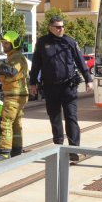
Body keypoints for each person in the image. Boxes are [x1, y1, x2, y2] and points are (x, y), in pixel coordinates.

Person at [29, 17, 93, 162]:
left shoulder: (69, 42)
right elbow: (36, 64)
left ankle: (73, 150)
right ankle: (58, 146)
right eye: (58, 27)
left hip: (68, 86)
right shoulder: (42, 42)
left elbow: (80, 61)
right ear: (50, 28)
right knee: (55, 117)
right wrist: (33, 83)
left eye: (63, 27)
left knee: (71, 116)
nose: (61, 29)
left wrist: (88, 79)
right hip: (50, 86)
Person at [0, 31, 30, 163]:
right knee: (16, 124)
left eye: (6, 43)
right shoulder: (13, 57)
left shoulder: (17, 57)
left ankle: (4, 152)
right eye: (3, 43)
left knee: (5, 123)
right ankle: (16, 149)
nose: (4, 45)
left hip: (14, 95)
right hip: (17, 94)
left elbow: (11, 72)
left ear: (14, 43)